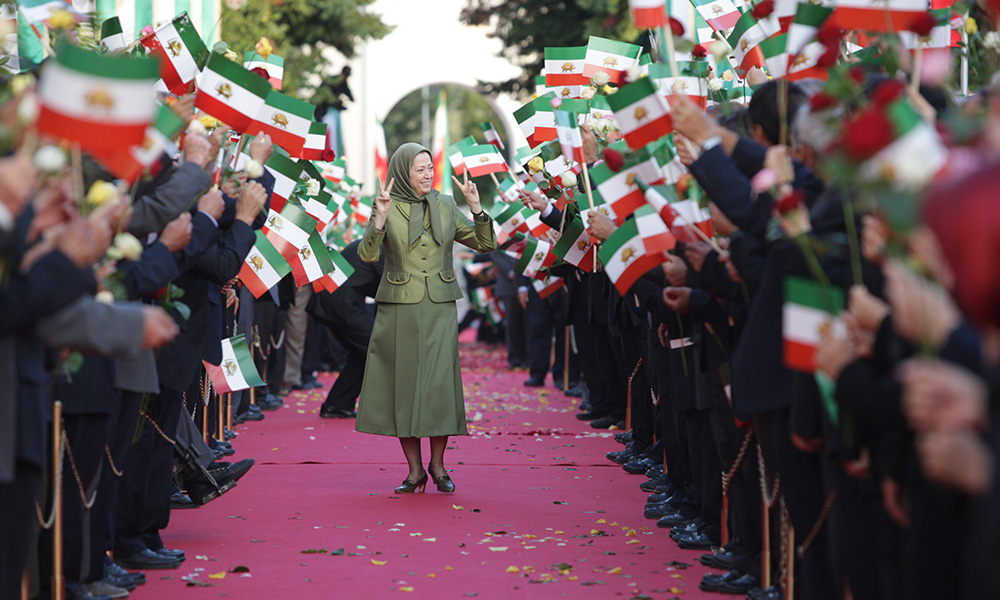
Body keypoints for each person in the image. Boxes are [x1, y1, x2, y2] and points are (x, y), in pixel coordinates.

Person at [355, 143, 496, 494]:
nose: (427, 175)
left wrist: (477, 208)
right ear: (403, 172)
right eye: (419, 169)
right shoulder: (387, 204)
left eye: (429, 168)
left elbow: (485, 243)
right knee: (403, 386)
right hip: (399, 308)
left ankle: (438, 465)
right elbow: (367, 254)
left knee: (438, 386)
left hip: (440, 308)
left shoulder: (446, 204)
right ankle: (414, 470)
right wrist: (380, 219)